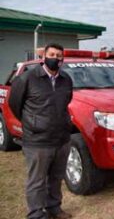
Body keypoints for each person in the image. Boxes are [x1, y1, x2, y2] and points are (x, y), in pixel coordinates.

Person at [9, 44, 73, 219]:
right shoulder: (27, 78)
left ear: (62, 59)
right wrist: (33, 123)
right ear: (44, 56)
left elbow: (66, 102)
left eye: (59, 55)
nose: (55, 58)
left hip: (61, 139)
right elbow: (14, 104)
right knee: (37, 181)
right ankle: (36, 214)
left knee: (56, 177)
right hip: (37, 141)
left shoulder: (66, 79)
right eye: (52, 54)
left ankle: (54, 207)